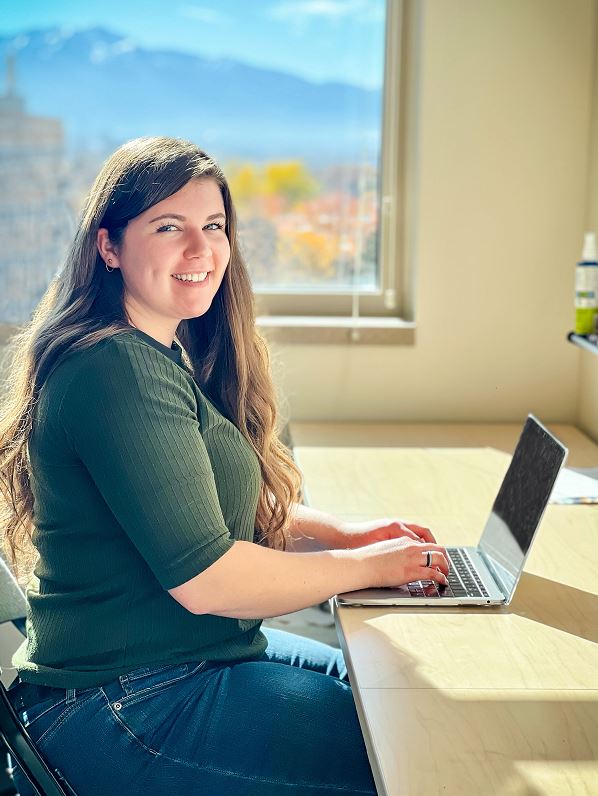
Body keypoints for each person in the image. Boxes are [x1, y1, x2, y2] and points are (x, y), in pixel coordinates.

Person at [0, 136, 449, 795]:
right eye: (168, 227)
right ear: (110, 247)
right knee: (408, 745)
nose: (200, 250)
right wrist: (373, 569)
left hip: (182, 666)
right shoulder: (114, 369)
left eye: (213, 227)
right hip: (130, 704)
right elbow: (207, 577)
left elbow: (202, 506)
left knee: (397, 691)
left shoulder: (157, 353)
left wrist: (345, 535)